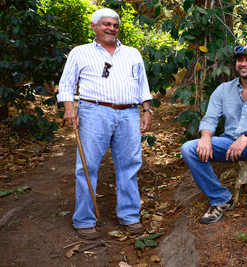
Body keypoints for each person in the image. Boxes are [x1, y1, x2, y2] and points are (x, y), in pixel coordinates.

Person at [57, 8, 153, 239]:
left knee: (129, 164)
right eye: (106, 24)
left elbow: (142, 85)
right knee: (87, 166)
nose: (111, 28)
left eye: (115, 25)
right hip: (93, 112)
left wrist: (147, 110)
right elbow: (66, 85)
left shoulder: (132, 53)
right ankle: (84, 219)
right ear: (94, 26)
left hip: (129, 113)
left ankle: (130, 216)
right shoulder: (80, 52)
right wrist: (69, 109)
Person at [181, 44, 247, 230]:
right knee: (189, 148)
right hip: (228, 144)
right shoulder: (223, 89)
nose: (243, 64)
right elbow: (209, 119)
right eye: (240, 60)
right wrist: (205, 137)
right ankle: (220, 199)